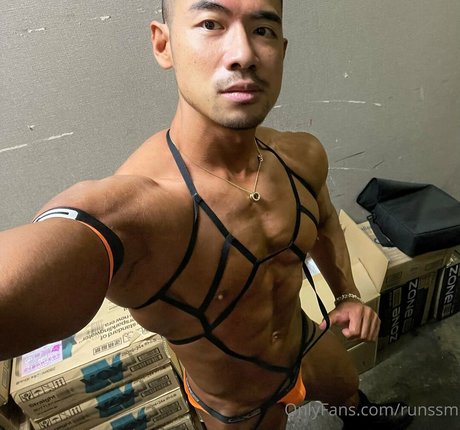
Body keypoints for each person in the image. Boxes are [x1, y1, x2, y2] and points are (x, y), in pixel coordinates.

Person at [0, 1, 413, 429]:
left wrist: (346, 295)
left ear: (282, 51)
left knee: (349, 391)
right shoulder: (136, 212)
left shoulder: (301, 156)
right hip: (238, 408)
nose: (244, 54)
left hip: (305, 344)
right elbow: (55, 253)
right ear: (164, 45)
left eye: (263, 30)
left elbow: (324, 219)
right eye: (211, 23)